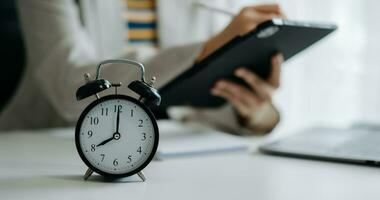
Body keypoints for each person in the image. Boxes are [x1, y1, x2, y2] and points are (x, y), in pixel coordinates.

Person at [0, 0, 285, 134]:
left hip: (169, 154)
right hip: (49, 151)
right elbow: (71, 90)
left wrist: (255, 113)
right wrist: (207, 49)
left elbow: (195, 102)